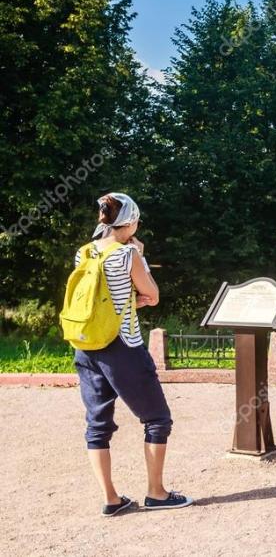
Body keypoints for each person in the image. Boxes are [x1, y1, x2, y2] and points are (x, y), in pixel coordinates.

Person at [72, 193, 193, 516]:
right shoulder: (128, 255)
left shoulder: (83, 252)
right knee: (157, 419)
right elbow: (152, 294)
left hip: (86, 345)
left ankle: (111, 500)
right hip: (122, 346)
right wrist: (140, 257)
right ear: (132, 221)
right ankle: (157, 493)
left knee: (97, 425)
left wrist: (129, 298)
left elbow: (97, 298)